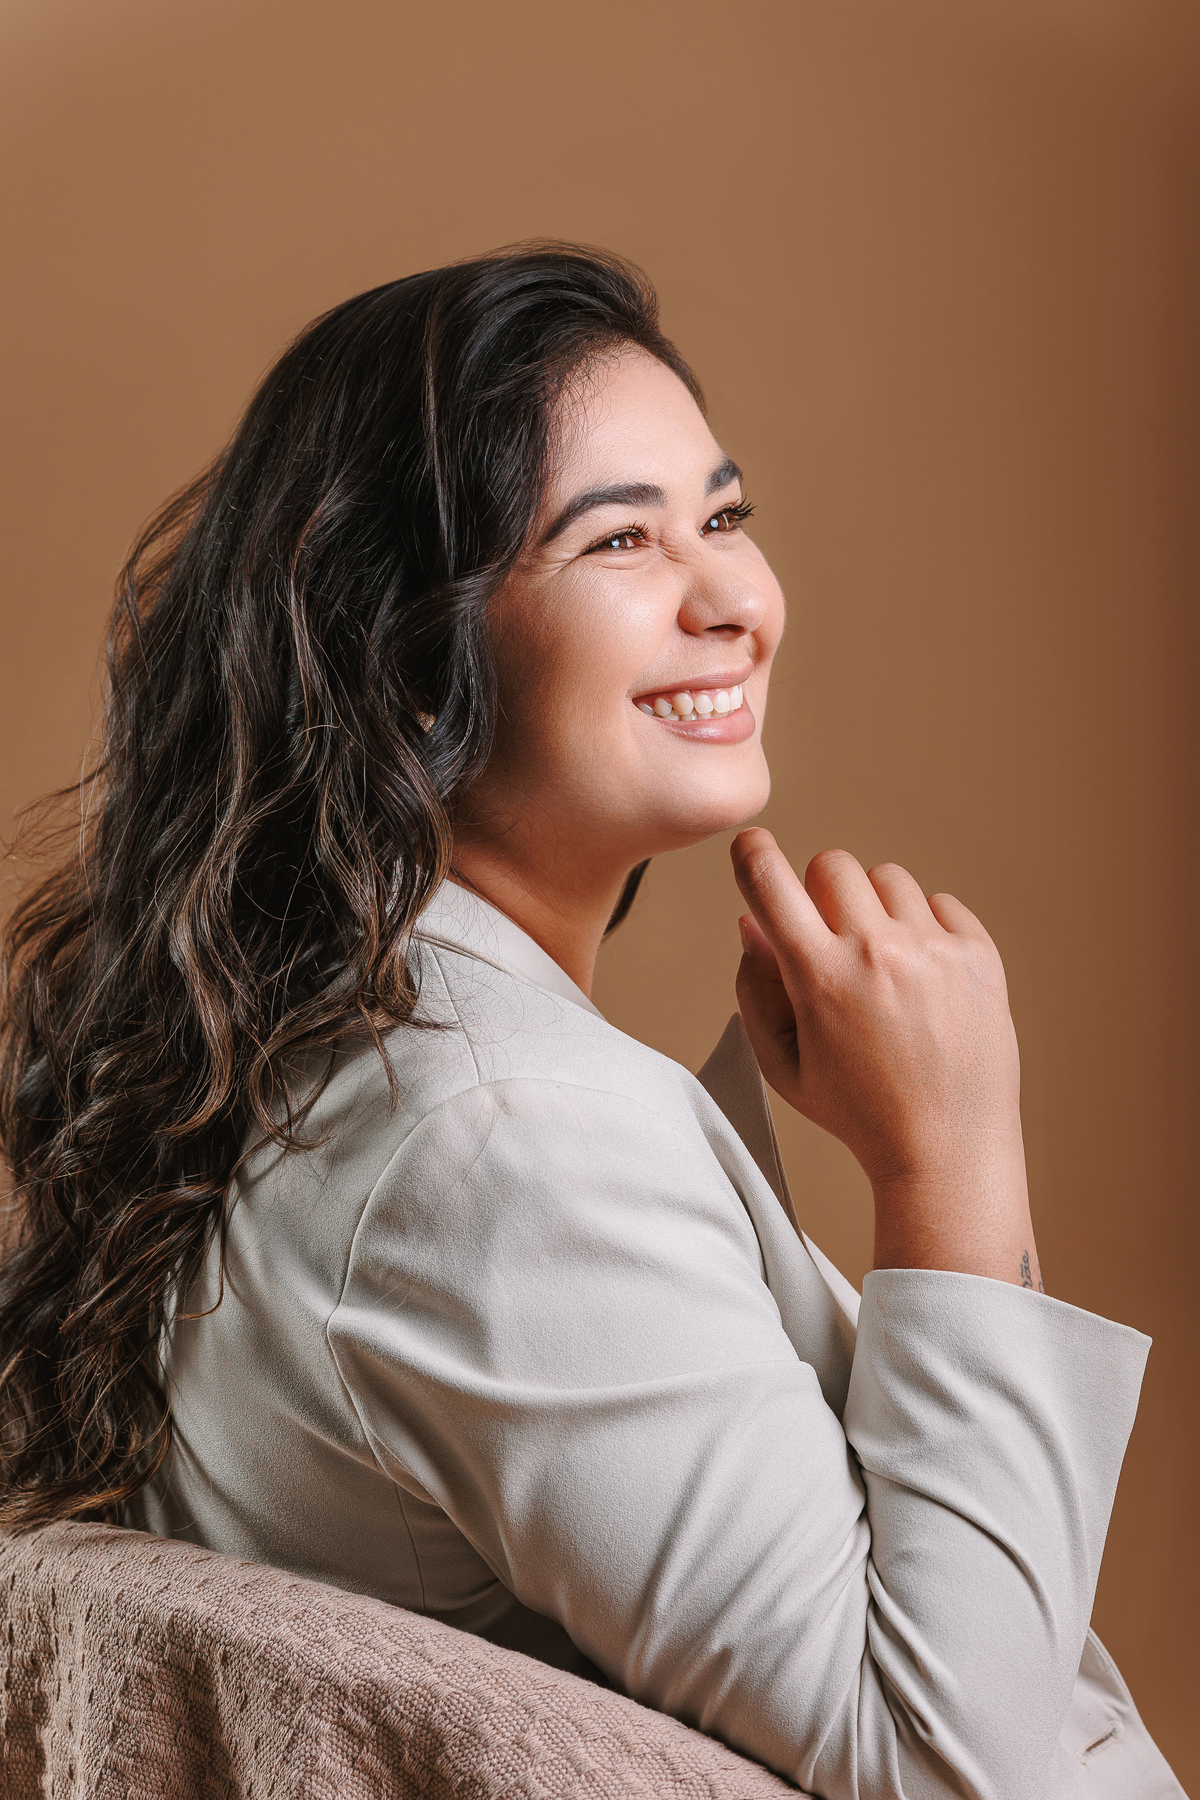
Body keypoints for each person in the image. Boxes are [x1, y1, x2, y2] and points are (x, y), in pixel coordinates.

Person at [0, 245, 1184, 1798]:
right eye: (619, 539)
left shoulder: (351, 1058)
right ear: (408, 661)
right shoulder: (507, 1143)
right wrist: (951, 1156)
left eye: (725, 515)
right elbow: (955, 1767)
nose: (735, 601)